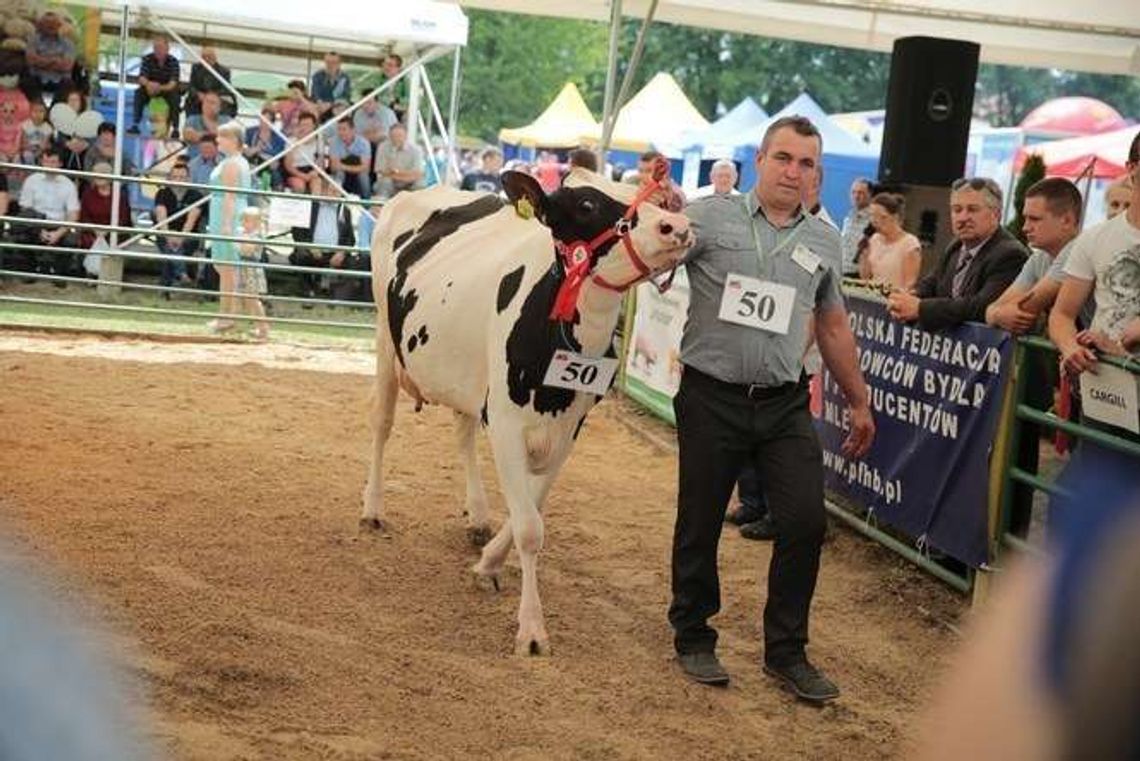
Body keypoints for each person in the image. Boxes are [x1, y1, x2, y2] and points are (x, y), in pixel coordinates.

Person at [669, 116, 874, 700]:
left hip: (784, 403)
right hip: (711, 395)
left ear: (818, 173)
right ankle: (693, 633)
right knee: (701, 519)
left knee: (806, 521)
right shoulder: (708, 217)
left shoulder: (823, 240)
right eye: (783, 158)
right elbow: (652, 260)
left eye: (806, 163)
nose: (794, 171)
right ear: (759, 159)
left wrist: (859, 400)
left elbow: (832, 325)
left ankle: (786, 652)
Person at [1049, 132, 1140, 382]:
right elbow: (1062, 315)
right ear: (1131, 168)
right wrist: (1070, 348)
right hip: (1104, 385)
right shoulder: (1095, 238)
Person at [887, 177, 1028, 331]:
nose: (962, 218)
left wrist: (920, 308)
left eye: (972, 209)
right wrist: (909, 297)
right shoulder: (955, 245)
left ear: (996, 214)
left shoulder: (1010, 254)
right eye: (957, 209)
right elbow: (931, 283)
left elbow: (981, 306)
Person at [985, 178, 1083, 335]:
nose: (1025, 228)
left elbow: (1025, 309)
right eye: (1025, 218)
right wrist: (996, 314)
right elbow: (992, 309)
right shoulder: (1039, 258)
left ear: (1067, 220)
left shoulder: (1078, 250)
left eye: (1035, 219)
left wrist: (996, 314)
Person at [204, 121, 252, 333]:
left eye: (222, 137)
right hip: (223, 212)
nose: (217, 141)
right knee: (224, 268)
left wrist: (225, 224)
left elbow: (230, 196)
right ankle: (228, 313)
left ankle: (227, 316)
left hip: (227, 215)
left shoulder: (232, 163)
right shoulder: (235, 161)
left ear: (233, 140)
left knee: (227, 268)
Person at [288, 173, 354, 298]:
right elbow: (297, 232)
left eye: (338, 192)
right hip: (313, 251)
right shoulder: (311, 206)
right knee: (300, 255)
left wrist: (341, 252)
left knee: (353, 262)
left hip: (334, 254)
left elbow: (350, 238)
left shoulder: (344, 211)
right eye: (332, 191)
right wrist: (310, 246)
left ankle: (337, 294)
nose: (336, 195)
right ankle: (308, 290)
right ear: (324, 191)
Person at [17, 148, 80, 278]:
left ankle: (59, 273)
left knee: (71, 240)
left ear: (60, 164)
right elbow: (25, 210)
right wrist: (39, 230)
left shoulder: (68, 184)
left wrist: (59, 233)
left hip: (59, 224)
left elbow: (73, 213)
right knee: (21, 234)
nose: (48, 165)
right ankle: (30, 270)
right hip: (36, 222)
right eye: (45, 161)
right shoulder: (32, 180)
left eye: (52, 162)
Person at [154, 160, 204, 291]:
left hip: (188, 236)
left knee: (171, 250)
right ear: (170, 178)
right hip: (165, 234)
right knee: (170, 246)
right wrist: (169, 236)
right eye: (175, 177)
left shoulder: (197, 196)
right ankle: (182, 275)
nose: (178, 180)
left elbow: (191, 221)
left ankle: (165, 286)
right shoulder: (162, 193)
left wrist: (180, 238)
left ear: (189, 179)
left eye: (182, 177)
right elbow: (161, 217)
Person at [859, 192, 922, 291]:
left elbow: (910, 284)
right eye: (872, 216)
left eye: (882, 217)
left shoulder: (910, 243)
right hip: (873, 299)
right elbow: (865, 277)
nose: (875, 221)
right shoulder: (874, 239)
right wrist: (864, 255)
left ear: (895, 217)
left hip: (895, 301)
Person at [131, 33, 181, 135]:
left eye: (160, 47)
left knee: (175, 97)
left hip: (166, 89)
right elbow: (141, 78)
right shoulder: (147, 59)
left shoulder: (173, 61)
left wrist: (159, 87)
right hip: (149, 88)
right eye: (155, 47)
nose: (157, 50)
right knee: (138, 93)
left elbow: (173, 83)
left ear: (167, 48)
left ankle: (175, 128)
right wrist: (149, 84)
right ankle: (135, 125)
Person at [78, 160, 132, 250]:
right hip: (92, 233)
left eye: (103, 173)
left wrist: (107, 230)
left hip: (115, 233)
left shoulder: (119, 194)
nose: (99, 176)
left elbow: (124, 218)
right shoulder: (88, 194)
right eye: (96, 174)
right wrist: (96, 230)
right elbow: (84, 217)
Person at [24, 12, 76, 99]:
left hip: (60, 80)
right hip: (37, 78)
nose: (51, 26)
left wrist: (41, 61)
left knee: (69, 85)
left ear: (59, 25)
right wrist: (55, 60)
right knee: (27, 82)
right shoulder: (33, 40)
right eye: (47, 23)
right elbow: (31, 60)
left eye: (54, 23)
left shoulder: (68, 43)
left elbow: (67, 65)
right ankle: (37, 108)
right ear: (41, 25)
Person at [235, 206, 269, 340]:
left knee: (254, 299)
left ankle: (263, 328)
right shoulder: (245, 234)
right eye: (243, 221)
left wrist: (242, 238)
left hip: (252, 268)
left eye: (246, 221)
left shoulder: (257, 235)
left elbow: (247, 250)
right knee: (246, 299)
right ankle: (256, 326)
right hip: (243, 267)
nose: (243, 224)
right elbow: (239, 248)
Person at [374, 122, 423, 199]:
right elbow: (381, 171)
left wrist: (396, 172)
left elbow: (418, 174)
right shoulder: (383, 147)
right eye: (393, 136)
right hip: (391, 181)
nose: (396, 139)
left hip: (409, 182)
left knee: (419, 184)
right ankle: (381, 207)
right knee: (384, 182)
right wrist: (405, 175)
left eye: (399, 136)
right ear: (389, 136)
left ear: (406, 136)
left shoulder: (416, 150)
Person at [184, 45, 234, 117]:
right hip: (199, 98)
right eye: (204, 57)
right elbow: (191, 86)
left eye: (209, 56)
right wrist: (198, 94)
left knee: (223, 106)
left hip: (215, 99)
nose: (206, 59)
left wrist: (210, 97)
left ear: (215, 57)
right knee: (191, 102)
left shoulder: (224, 71)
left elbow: (225, 89)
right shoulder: (195, 68)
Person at [328, 115, 371, 198]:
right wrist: (349, 168)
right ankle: (338, 203)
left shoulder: (364, 143)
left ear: (353, 130)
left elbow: (366, 168)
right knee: (339, 175)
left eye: (344, 129)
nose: (341, 132)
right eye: (339, 129)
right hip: (343, 173)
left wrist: (343, 166)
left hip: (358, 172)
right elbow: (333, 167)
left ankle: (366, 201)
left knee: (364, 176)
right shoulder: (334, 142)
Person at [243, 108, 287, 189]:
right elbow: (246, 151)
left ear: (272, 122)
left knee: (275, 174)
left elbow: (277, 158)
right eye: (262, 119)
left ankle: (277, 195)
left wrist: (263, 151)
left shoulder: (279, 137)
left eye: (267, 120)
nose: (263, 122)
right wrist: (257, 148)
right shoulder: (250, 132)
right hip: (252, 161)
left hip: (269, 164)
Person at [840, 178, 872, 277]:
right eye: (853, 192)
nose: (856, 196)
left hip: (859, 275)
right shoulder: (848, 217)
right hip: (842, 271)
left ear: (870, 195)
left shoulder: (873, 220)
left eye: (861, 193)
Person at [283, 111, 321, 192]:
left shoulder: (319, 142)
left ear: (314, 126)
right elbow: (288, 165)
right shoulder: (291, 141)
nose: (305, 128)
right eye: (302, 125)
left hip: (311, 170)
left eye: (308, 125)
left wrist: (314, 172)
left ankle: (315, 204)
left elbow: (321, 163)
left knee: (317, 183)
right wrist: (302, 175)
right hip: (295, 171)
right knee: (299, 186)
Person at [310, 52, 351, 121]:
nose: (330, 65)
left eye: (333, 62)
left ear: (339, 64)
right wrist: (320, 102)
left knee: (341, 109)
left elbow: (345, 96)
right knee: (312, 110)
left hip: (336, 104)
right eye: (328, 62)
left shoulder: (344, 77)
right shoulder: (318, 75)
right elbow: (315, 92)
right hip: (320, 104)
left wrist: (330, 104)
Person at [20, 100, 54, 166]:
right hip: (28, 149)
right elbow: (24, 143)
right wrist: (31, 149)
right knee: (28, 155)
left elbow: (45, 143)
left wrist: (39, 152)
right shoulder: (25, 125)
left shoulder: (48, 128)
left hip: (41, 150)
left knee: (44, 157)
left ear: (46, 113)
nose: (38, 114)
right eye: (35, 111)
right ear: (30, 112)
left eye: (41, 111)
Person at [381, 53, 407, 122]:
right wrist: (392, 103)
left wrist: (396, 101)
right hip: (382, 114)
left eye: (390, 65)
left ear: (398, 68)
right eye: (384, 64)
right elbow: (377, 97)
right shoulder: (379, 80)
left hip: (399, 115)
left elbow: (409, 100)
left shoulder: (405, 81)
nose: (386, 67)